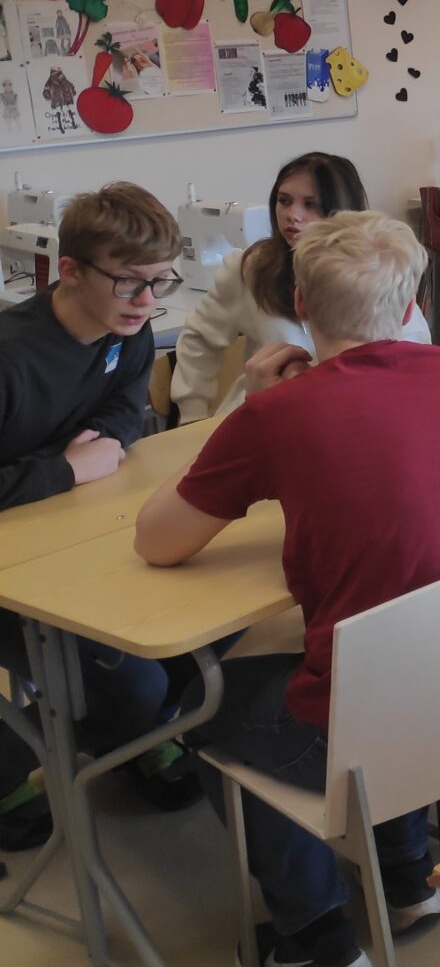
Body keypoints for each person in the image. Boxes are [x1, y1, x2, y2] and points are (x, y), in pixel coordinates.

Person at [135, 213, 440, 967]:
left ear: (300, 307)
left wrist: (252, 406)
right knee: (397, 646)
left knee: (202, 709)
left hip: (378, 717)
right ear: (411, 305)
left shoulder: (278, 413)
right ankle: (406, 879)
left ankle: (316, 938)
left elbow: (157, 540)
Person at [0, 185, 197, 848]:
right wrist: (63, 471)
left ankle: (126, 736)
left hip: (68, 530)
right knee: (132, 679)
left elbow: (121, 408)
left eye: (160, 282)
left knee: (196, 640)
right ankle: (31, 762)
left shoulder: (127, 333)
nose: (147, 301)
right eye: (129, 282)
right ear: (71, 271)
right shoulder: (11, 358)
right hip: (12, 565)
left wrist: (98, 450)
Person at [171, 153, 430, 423]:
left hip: (356, 419)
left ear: (342, 211)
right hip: (266, 417)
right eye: (284, 201)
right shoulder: (250, 269)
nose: (292, 215)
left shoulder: (379, 272)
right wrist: (192, 414)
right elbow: (199, 338)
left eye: (311, 204)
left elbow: (415, 348)